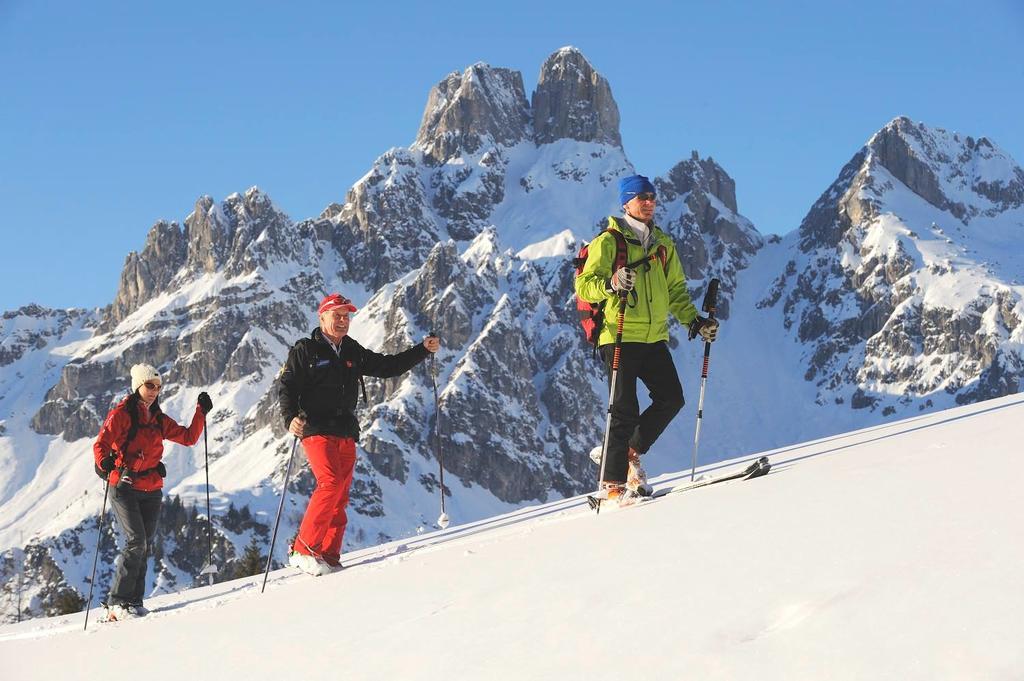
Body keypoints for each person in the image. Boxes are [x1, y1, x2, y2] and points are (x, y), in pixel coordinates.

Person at [575, 174, 719, 502]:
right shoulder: (609, 241)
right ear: (626, 202)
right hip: (618, 334)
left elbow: (676, 292)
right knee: (623, 409)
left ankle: (627, 452)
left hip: (653, 336)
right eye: (642, 198)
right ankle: (612, 486)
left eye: (652, 197)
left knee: (671, 397)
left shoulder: (663, 245)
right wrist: (611, 282)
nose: (649, 203)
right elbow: (585, 285)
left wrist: (694, 322)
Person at [278, 293, 440, 575]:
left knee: (339, 494)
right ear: (322, 317)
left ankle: (328, 554)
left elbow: (389, 367)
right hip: (315, 428)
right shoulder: (305, 349)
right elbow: (287, 386)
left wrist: (423, 350)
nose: (342, 321)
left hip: (345, 430)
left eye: (346, 316)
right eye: (337, 315)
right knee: (329, 483)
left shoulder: (351, 349)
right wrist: (289, 418)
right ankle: (303, 549)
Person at [93, 363, 211, 621]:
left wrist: (201, 412)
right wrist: (105, 463)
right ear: (138, 386)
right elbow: (100, 443)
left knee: (144, 545)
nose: (154, 391)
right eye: (149, 386)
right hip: (123, 486)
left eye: (158, 387)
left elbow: (189, 437)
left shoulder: (158, 418)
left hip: (152, 488)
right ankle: (117, 603)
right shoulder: (122, 414)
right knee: (135, 541)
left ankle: (134, 602)